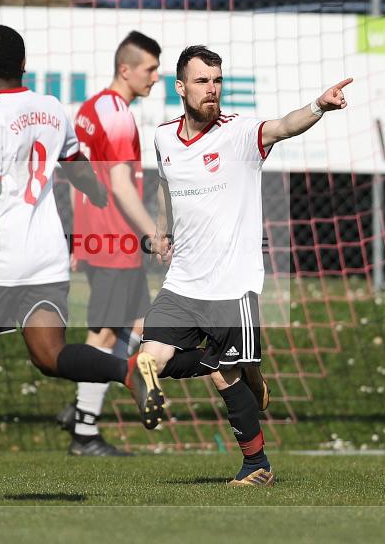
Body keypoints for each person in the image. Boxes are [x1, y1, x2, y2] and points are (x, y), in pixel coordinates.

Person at [0, 25, 163, 500]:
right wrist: (95, 190)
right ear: (24, 66)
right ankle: (127, 371)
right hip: (47, 259)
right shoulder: (50, 107)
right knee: (50, 355)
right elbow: (76, 162)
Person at [140, 45, 352, 486]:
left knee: (224, 377)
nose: (212, 89)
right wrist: (162, 232)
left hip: (231, 285)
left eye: (217, 80)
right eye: (202, 81)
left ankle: (258, 465)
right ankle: (244, 366)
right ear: (180, 87)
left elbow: (285, 125)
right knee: (149, 362)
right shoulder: (163, 137)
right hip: (182, 283)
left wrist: (318, 106)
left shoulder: (239, 133)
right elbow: (164, 184)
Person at [55, 31, 162, 456]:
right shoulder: (117, 114)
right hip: (115, 240)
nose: (155, 77)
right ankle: (84, 429)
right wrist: (153, 234)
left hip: (102, 238)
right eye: (150, 69)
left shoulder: (90, 108)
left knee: (140, 326)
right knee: (102, 334)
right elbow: (119, 185)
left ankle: (81, 407)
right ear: (126, 69)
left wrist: (79, 238)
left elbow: (76, 178)